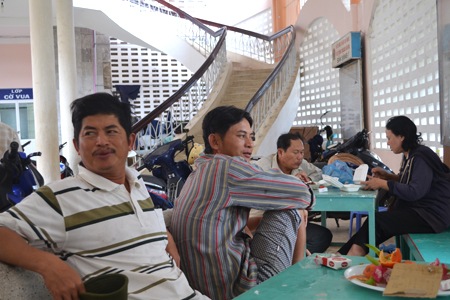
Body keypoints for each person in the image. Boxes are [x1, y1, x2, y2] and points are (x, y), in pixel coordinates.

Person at [0, 93, 208, 300]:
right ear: (76, 146)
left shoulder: (137, 184)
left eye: (111, 131)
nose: (101, 141)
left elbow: (133, 227)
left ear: (130, 142)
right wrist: (47, 264)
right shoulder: (59, 197)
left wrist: (163, 235)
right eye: (90, 133)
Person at [171, 106, 314, 300]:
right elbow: (302, 194)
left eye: (251, 137)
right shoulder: (228, 167)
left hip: (205, 287)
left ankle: (298, 276)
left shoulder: (198, 171)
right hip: (239, 290)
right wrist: (299, 207)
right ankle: (298, 285)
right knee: (292, 210)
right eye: (241, 136)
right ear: (215, 141)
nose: (249, 144)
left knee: (285, 209)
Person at [338, 116, 450, 256]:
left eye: (390, 138)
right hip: (421, 211)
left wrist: (383, 183)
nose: (388, 143)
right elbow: (413, 180)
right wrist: (389, 176)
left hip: (431, 216)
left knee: (378, 222)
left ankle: (350, 255)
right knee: (374, 222)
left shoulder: (420, 157)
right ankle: (342, 255)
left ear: (401, 136)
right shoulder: (410, 155)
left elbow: (414, 191)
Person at [251, 132, 332, 255]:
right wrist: (293, 180)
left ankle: (289, 254)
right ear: (280, 152)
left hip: (292, 221)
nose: (300, 157)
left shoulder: (300, 163)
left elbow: (317, 173)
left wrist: (308, 181)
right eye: (295, 152)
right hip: (263, 223)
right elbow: (272, 196)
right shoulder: (262, 167)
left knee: (323, 236)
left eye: (302, 152)